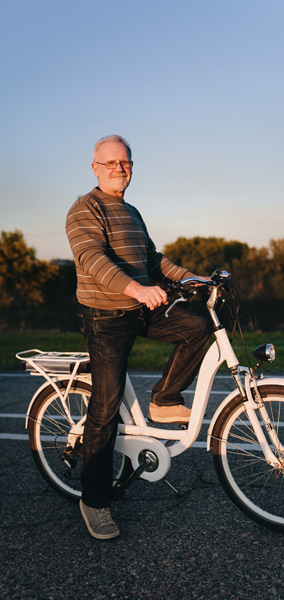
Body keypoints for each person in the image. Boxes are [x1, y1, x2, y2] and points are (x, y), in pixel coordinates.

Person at [66, 135, 212, 540]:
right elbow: (92, 259)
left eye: (125, 162)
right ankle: (94, 501)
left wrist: (189, 278)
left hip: (138, 310)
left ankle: (164, 400)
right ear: (94, 167)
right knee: (106, 406)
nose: (118, 167)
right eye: (110, 162)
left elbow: (151, 259)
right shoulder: (84, 209)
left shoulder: (130, 210)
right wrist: (138, 289)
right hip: (105, 317)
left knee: (197, 327)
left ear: (132, 166)